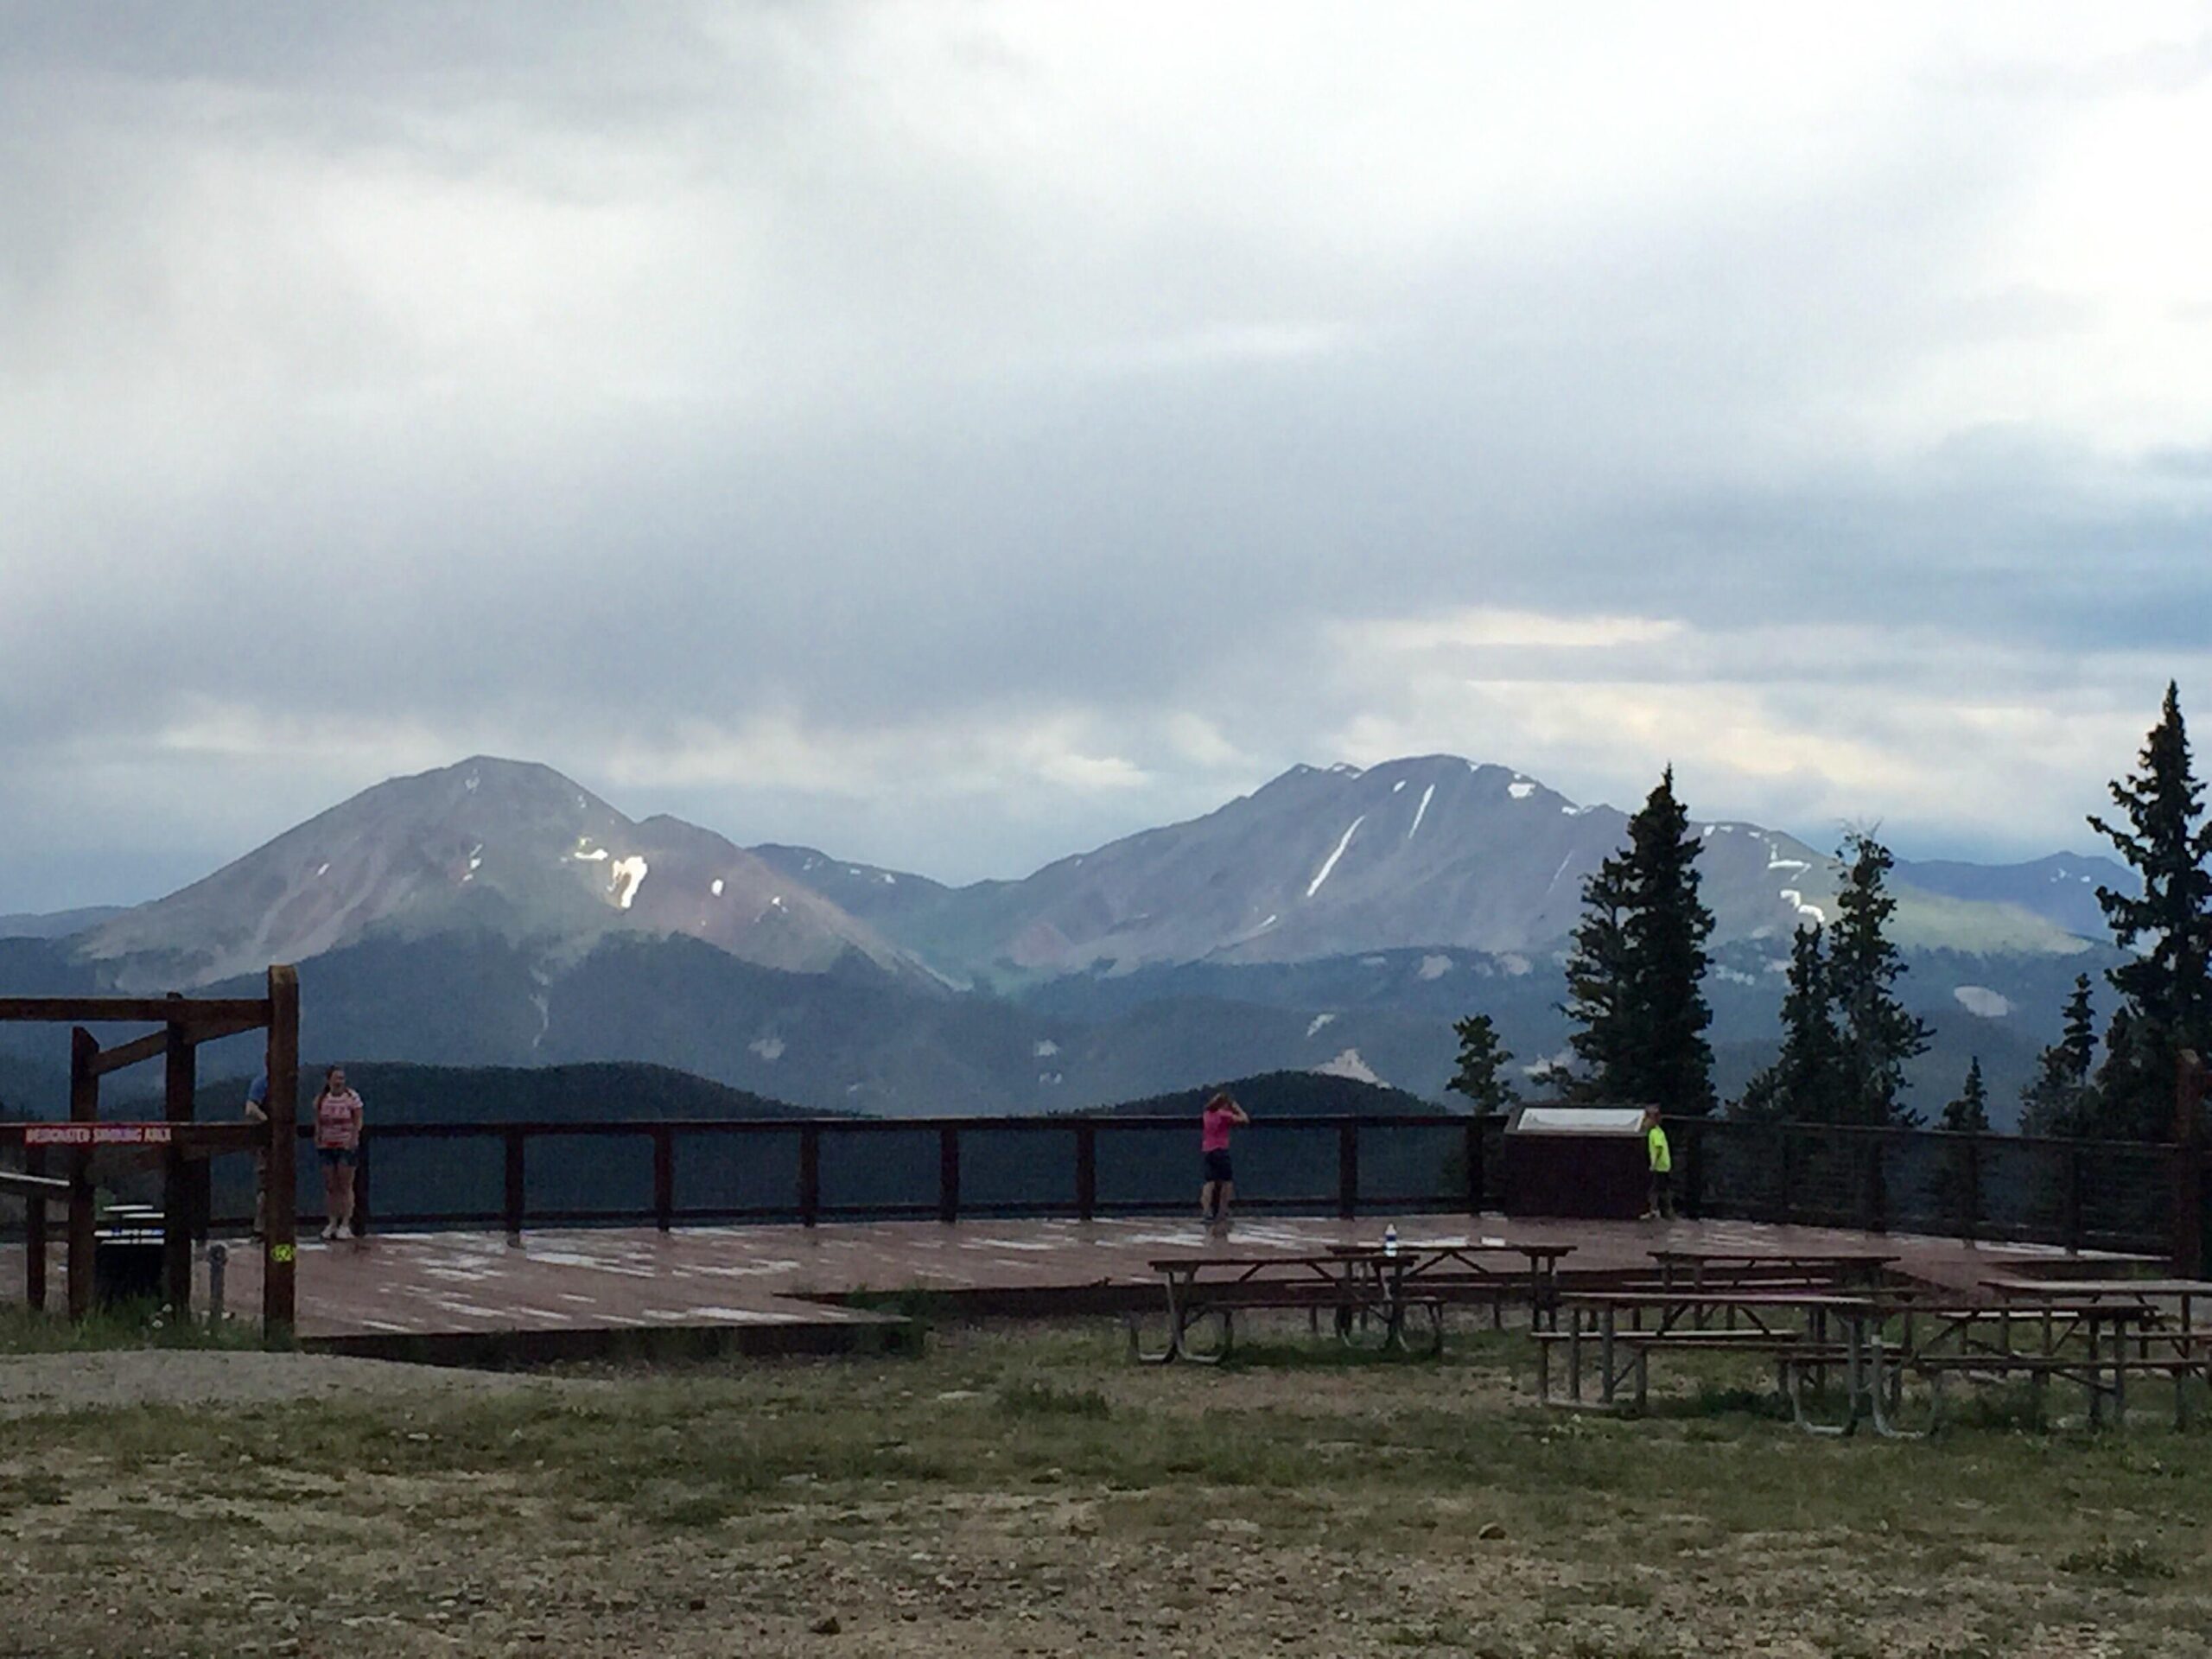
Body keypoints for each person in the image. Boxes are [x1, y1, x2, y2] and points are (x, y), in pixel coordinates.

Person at [312, 1065, 365, 1243]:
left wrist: (353, 1139)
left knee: (345, 1185)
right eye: (337, 1078)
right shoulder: (322, 1099)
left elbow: (358, 1119)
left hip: (345, 1145)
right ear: (329, 1080)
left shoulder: (352, 1098)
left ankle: (345, 1223)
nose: (340, 1081)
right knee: (331, 1185)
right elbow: (318, 1121)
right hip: (327, 1145)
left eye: (342, 1078)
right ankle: (332, 1222)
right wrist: (318, 1138)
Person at [1199, 1090, 1250, 1236]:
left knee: (1210, 1182)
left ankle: (1206, 1211)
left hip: (1208, 1150)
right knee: (1226, 1182)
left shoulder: (1207, 1114)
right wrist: (1237, 1108)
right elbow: (1244, 1119)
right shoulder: (1223, 1115)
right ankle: (1222, 1212)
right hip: (1221, 1150)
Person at [244, 1071, 269, 1238]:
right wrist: (268, 1121)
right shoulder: (262, 1082)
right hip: (265, 1143)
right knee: (265, 1186)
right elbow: (250, 1108)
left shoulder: (284, 1083)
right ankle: (260, 1228)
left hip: (280, 1144)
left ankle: (269, 1226)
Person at [1642, 1107, 1673, 1222]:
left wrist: (1653, 1163)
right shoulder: (1659, 1131)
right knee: (1661, 1189)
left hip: (1660, 1166)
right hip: (1664, 1166)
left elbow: (1658, 1148)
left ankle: (1654, 1211)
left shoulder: (1654, 1133)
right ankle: (1666, 1212)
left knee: (1654, 1190)